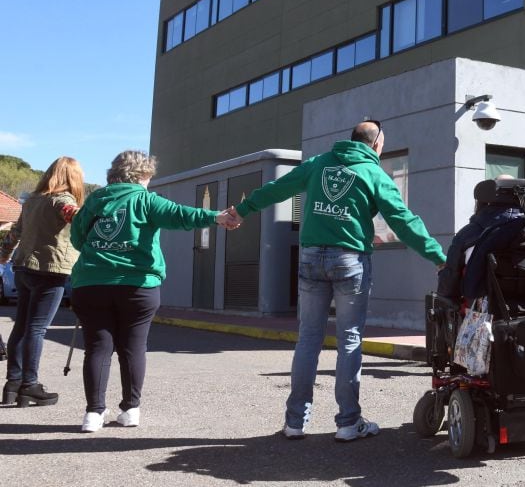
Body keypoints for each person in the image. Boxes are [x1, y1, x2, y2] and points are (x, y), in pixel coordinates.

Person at [232, 121, 446, 441]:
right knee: (349, 340)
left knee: (308, 339)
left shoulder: (318, 164)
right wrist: (439, 257)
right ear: (376, 144)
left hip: (310, 257)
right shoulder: (373, 174)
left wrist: (242, 209)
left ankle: (295, 422)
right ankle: (348, 422)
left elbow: (279, 188)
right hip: (350, 261)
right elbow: (402, 220)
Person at [70, 151, 239, 432]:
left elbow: (77, 239)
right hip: (138, 285)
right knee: (133, 347)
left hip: (91, 283)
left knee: (97, 348)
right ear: (142, 175)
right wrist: (217, 217)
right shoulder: (146, 200)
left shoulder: (95, 200)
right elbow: (180, 215)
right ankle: (130, 410)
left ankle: (93, 413)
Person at [0, 157, 84, 407]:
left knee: (22, 326)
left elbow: (15, 232)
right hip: (50, 270)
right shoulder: (64, 201)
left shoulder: (32, 201)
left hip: (23, 267)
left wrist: (4, 255)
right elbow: (78, 218)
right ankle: (30, 385)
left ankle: (13, 383)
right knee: (37, 329)